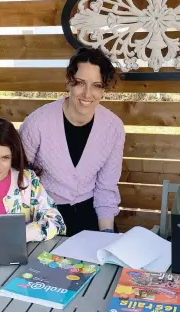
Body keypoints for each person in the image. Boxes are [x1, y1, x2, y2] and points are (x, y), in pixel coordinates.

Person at [20, 47, 125, 236]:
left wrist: (107, 234)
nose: (87, 93)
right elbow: (19, 179)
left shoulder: (113, 128)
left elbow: (106, 188)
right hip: (46, 218)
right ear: (69, 82)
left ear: (103, 89)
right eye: (80, 83)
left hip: (92, 216)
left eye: (96, 85)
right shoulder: (37, 123)